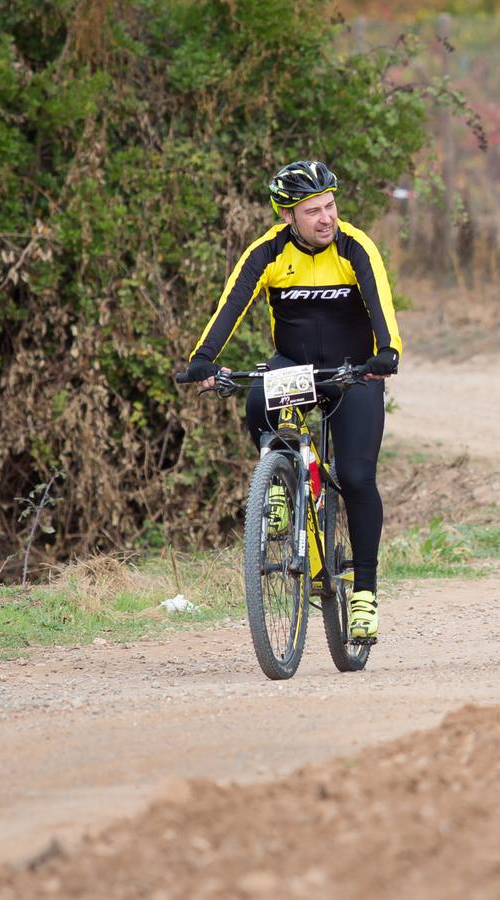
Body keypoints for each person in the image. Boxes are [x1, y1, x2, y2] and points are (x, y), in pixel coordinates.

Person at [175, 160, 402, 642]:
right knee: (258, 397)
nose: (327, 219)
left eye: (330, 206)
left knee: (358, 476)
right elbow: (230, 305)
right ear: (287, 217)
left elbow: (382, 305)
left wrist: (386, 354)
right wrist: (204, 359)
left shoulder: (354, 246)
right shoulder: (269, 253)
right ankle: (279, 479)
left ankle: (364, 593)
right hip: (296, 369)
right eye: (313, 211)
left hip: (353, 371)